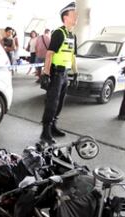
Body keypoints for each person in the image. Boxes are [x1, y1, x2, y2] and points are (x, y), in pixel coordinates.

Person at [39, 2, 78, 144]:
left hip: (65, 74)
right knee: (52, 103)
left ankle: (53, 126)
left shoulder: (73, 36)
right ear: (65, 17)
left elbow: (73, 56)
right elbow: (49, 54)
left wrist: (76, 73)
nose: (76, 17)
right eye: (74, 14)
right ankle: (45, 131)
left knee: (60, 102)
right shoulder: (58, 33)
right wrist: (46, 74)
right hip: (56, 74)